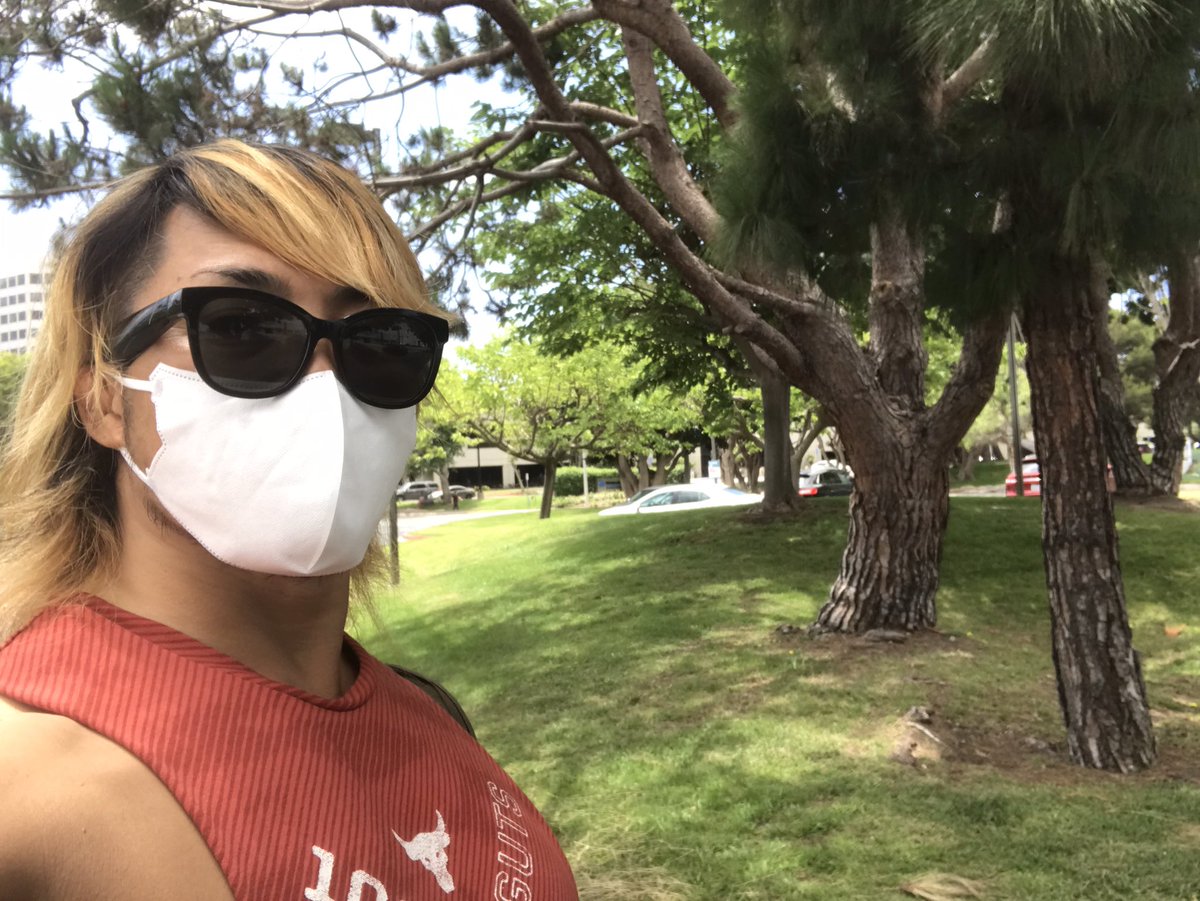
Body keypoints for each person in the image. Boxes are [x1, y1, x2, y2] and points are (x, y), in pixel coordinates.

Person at [0, 141, 578, 900]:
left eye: (381, 342)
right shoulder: (26, 783)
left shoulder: (427, 711)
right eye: (242, 327)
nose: (327, 390)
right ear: (105, 400)